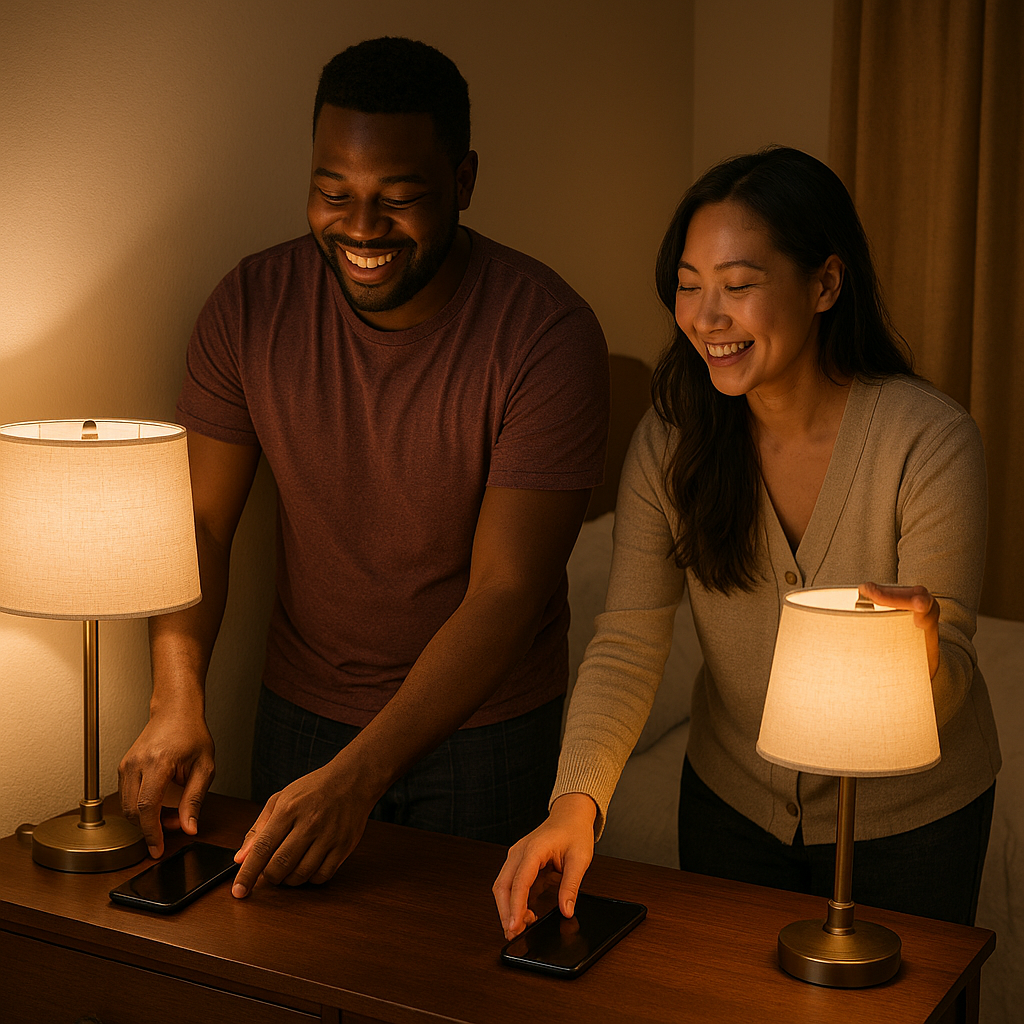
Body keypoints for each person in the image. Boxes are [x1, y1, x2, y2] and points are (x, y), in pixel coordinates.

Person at [118, 36, 609, 899]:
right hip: (304, 710)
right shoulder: (249, 306)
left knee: (460, 979)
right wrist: (175, 695)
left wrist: (363, 774)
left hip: (483, 726)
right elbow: (198, 525)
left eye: (399, 197)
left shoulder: (546, 334)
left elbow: (506, 592)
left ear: (463, 180)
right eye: (332, 192)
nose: (360, 227)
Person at [494, 146, 1001, 938]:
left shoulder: (928, 440)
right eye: (689, 288)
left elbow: (957, 668)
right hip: (731, 807)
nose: (706, 317)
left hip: (912, 821)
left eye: (739, 286)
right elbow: (628, 638)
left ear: (826, 284)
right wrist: (577, 800)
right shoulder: (672, 440)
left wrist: (924, 647)